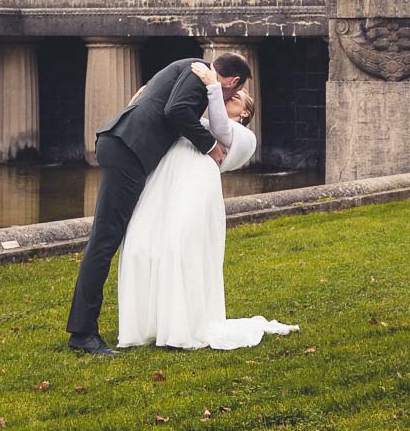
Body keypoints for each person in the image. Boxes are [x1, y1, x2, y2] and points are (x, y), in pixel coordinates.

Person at [65, 53, 249, 357]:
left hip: (126, 148)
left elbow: (153, 98)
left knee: (105, 239)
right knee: (104, 240)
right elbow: (175, 110)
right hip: (128, 150)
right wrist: (211, 147)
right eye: (234, 92)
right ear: (233, 82)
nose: (229, 97)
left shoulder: (191, 70)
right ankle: (83, 333)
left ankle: (85, 328)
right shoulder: (198, 71)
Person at [115, 66, 297, 350]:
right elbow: (167, 119)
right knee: (144, 243)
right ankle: (154, 322)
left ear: (246, 112)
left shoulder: (243, 136)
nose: (232, 95)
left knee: (181, 243)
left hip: (196, 183)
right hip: (167, 179)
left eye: (238, 97)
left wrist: (213, 86)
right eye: (231, 93)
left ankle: (183, 324)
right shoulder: (198, 121)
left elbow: (220, 130)